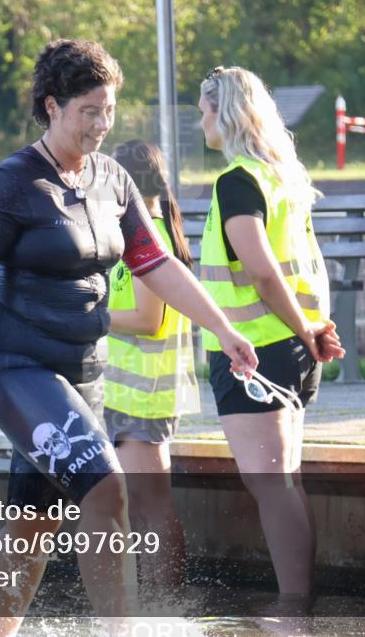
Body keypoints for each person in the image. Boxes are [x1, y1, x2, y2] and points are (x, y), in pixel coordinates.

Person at [0, 41, 258, 636]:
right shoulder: (10, 185)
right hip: (15, 367)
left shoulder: (113, 179)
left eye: (109, 110)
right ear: (52, 106)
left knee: (34, 521)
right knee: (107, 488)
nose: (102, 124)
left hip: (82, 372)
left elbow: (157, 264)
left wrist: (223, 328)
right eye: (89, 111)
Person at [196, 66, 345, 608]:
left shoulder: (238, 181)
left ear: (226, 113)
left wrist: (305, 330)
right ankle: (298, 603)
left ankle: (293, 608)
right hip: (291, 347)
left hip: (255, 351)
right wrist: (311, 332)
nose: (201, 123)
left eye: (204, 112)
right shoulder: (283, 177)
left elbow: (261, 270)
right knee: (286, 481)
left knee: (270, 484)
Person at [104, 140, 198, 587]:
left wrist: (89, 315)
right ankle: (145, 600)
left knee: (150, 506)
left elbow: (147, 318)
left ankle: (166, 603)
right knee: (135, 506)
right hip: (126, 394)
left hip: (145, 395)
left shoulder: (150, 235)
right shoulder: (137, 233)